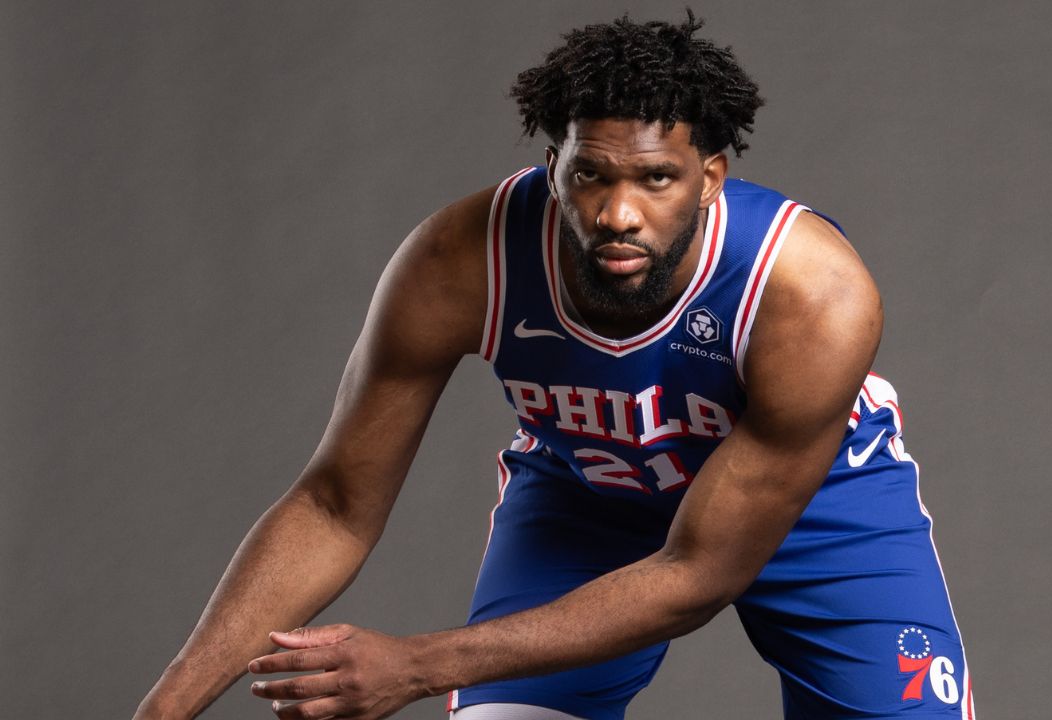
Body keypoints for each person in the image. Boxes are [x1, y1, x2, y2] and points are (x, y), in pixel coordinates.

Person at [134, 12, 974, 720]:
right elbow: (334, 503)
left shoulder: (811, 291)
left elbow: (695, 574)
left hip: (818, 510)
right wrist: (164, 708)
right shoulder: (463, 260)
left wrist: (422, 665)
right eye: (591, 176)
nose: (617, 212)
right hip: (589, 503)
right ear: (554, 167)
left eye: (655, 179)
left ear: (710, 177)